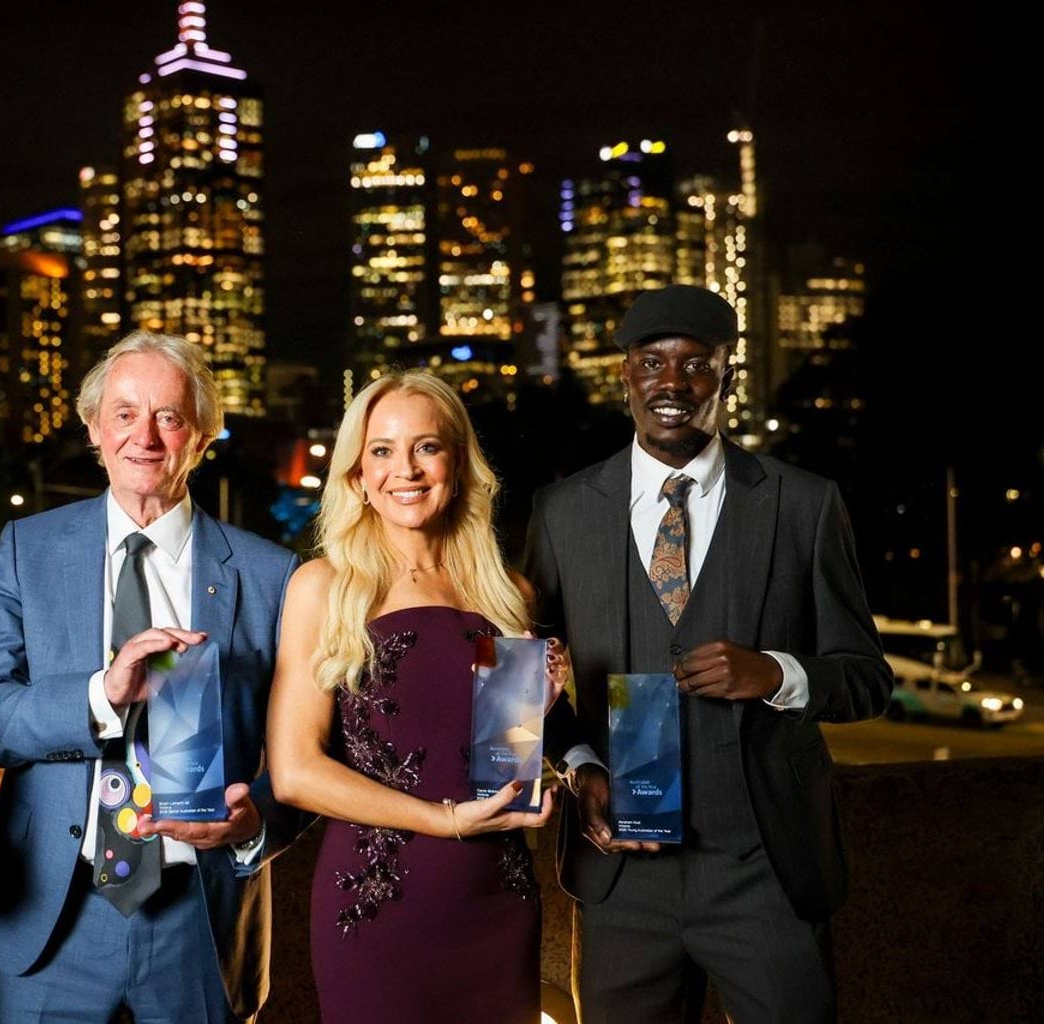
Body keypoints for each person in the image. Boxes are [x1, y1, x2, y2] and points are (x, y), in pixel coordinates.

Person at [525, 284, 893, 1023]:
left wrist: (778, 673)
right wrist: (580, 765)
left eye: (696, 364)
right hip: (622, 878)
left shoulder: (803, 504)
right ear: (624, 374)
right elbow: (526, 675)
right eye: (652, 362)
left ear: (727, 374)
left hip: (766, 872)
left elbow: (867, 679)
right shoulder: (561, 513)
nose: (673, 383)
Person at [0, 332, 305, 1024]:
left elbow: (308, 752)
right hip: (53, 918)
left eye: (169, 416)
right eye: (123, 414)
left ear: (203, 434)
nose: (144, 436)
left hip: (201, 921)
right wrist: (100, 695)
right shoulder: (29, 550)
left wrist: (258, 817)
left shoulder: (273, 576)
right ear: (92, 427)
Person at [267, 370, 569, 1024]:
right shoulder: (323, 587)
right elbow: (293, 773)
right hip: (377, 911)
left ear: (458, 465)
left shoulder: (509, 593)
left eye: (426, 447)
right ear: (357, 475)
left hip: (499, 902)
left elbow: (487, 761)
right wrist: (443, 821)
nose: (404, 468)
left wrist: (534, 712)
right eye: (381, 450)